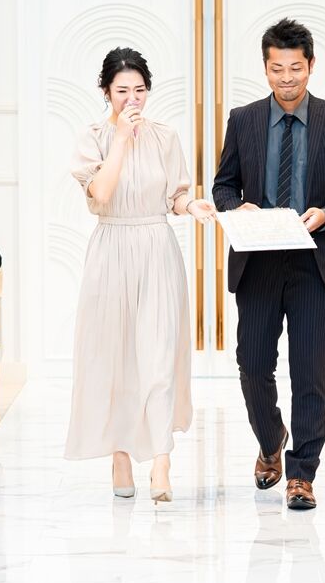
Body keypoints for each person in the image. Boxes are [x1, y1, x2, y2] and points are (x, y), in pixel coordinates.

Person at [212, 18, 325, 510]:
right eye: (277, 69)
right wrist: (235, 207)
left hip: (313, 262)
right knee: (253, 365)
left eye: (295, 68)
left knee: (308, 372)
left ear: (311, 65)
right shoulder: (243, 119)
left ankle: (302, 474)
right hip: (256, 262)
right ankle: (270, 439)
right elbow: (223, 185)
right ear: (265, 68)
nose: (286, 78)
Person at [64, 47, 216, 504]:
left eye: (140, 90)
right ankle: (120, 456)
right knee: (115, 359)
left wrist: (191, 205)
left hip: (156, 250)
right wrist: (122, 139)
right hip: (111, 250)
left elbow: (174, 196)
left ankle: (162, 461)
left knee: (159, 354)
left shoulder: (165, 137)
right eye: (122, 91)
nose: (132, 99)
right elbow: (102, 193)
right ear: (105, 92)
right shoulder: (93, 138)